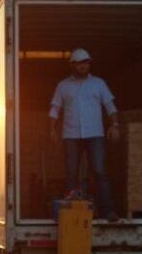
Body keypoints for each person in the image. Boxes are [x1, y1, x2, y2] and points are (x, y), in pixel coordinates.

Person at [48, 47, 120, 220]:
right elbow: (55, 109)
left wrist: (115, 125)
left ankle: (108, 211)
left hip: (95, 134)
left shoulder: (99, 84)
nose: (84, 66)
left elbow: (110, 106)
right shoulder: (63, 86)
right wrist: (51, 129)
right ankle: (71, 214)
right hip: (71, 136)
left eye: (86, 62)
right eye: (80, 63)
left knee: (99, 171)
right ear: (72, 65)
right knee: (71, 175)